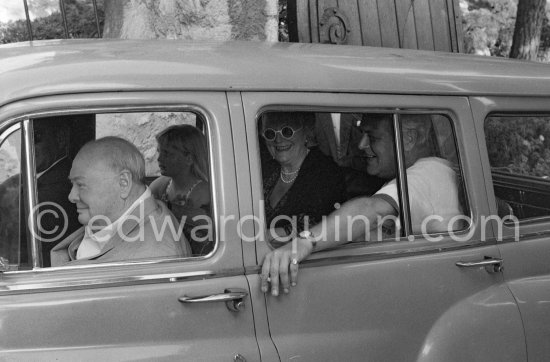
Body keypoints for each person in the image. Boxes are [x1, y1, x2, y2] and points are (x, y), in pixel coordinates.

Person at [260, 114, 464, 296]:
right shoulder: (410, 178)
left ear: (408, 139)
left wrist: (303, 243)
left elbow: (370, 210)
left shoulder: (427, 173)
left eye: (372, 137)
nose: (361, 145)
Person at [51, 136, 191, 266]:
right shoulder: (118, 218)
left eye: (81, 185)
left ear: (123, 183)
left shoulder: (152, 258)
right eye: (72, 185)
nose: (71, 196)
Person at [0, 118, 81, 267]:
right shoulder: (30, 178)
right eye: (23, 137)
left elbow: (13, 222)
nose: (26, 146)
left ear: (60, 139)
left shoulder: (62, 187)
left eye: (36, 137)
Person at [260, 112, 346, 245]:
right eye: (270, 133)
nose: (278, 139)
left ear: (306, 132)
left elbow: (316, 225)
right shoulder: (263, 169)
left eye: (286, 131)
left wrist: (259, 236)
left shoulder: (326, 173)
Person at [150, 125, 212, 256]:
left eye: (167, 153)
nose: (159, 159)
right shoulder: (159, 186)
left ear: (189, 158)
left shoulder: (206, 195)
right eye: (159, 152)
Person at [314, 112, 385, 198]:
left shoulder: (365, 106)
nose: (361, 145)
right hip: (327, 190)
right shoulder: (313, 110)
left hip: (371, 187)